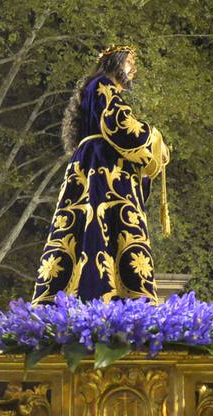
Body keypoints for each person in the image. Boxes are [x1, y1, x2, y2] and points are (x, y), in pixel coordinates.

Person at [33, 45, 170, 302]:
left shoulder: (96, 88)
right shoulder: (103, 86)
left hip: (95, 165)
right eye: (129, 62)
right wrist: (154, 137)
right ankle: (107, 294)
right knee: (100, 223)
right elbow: (119, 124)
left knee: (94, 228)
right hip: (103, 166)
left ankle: (102, 291)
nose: (133, 69)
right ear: (115, 63)